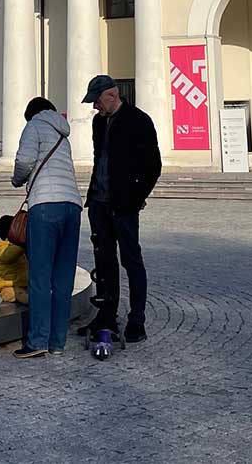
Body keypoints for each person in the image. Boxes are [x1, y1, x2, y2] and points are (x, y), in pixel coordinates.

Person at [79, 74, 161, 344]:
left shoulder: (138, 121)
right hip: (99, 204)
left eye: (97, 101)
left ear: (112, 95)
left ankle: (137, 320)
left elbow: (153, 165)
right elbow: (98, 159)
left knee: (131, 261)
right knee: (104, 262)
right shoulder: (98, 123)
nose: (94, 107)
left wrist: (136, 198)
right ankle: (107, 315)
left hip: (124, 206)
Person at [10, 96, 83, 358]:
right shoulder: (64, 134)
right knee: (63, 279)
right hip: (73, 205)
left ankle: (38, 340)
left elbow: (24, 162)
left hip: (45, 205)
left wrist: (17, 180)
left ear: (31, 114)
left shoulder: (34, 126)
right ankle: (57, 342)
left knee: (40, 277)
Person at [0, 215, 30, 343]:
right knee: (17, 294)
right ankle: (32, 300)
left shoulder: (13, 246)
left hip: (22, 282)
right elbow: (8, 256)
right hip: (8, 286)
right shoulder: (1, 248)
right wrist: (22, 245)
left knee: (24, 290)